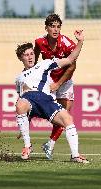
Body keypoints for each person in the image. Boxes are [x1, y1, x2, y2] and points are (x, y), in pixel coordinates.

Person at [15, 29, 88, 163]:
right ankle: (27, 146)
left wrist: (80, 41)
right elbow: (22, 103)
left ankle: (75, 155)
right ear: (21, 58)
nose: (30, 57)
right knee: (20, 103)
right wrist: (23, 127)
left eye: (32, 53)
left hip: (47, 100)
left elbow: (70, 59)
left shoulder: (44, 64)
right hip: (30, 100)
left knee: (68, 119)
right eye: (26, 55)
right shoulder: (19, 78)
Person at [34, 14, 77, 159]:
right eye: (52, 26)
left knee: (65, 116)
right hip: (49, 81)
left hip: (64, 82)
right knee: (45, 111)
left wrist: (58, 84)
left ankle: (50, 145)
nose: (56, 29)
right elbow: (33, 61)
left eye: (58, 26)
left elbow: (72, 67)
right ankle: (26, 139)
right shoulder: (39, 42)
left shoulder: (67, 43)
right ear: (46, 28)